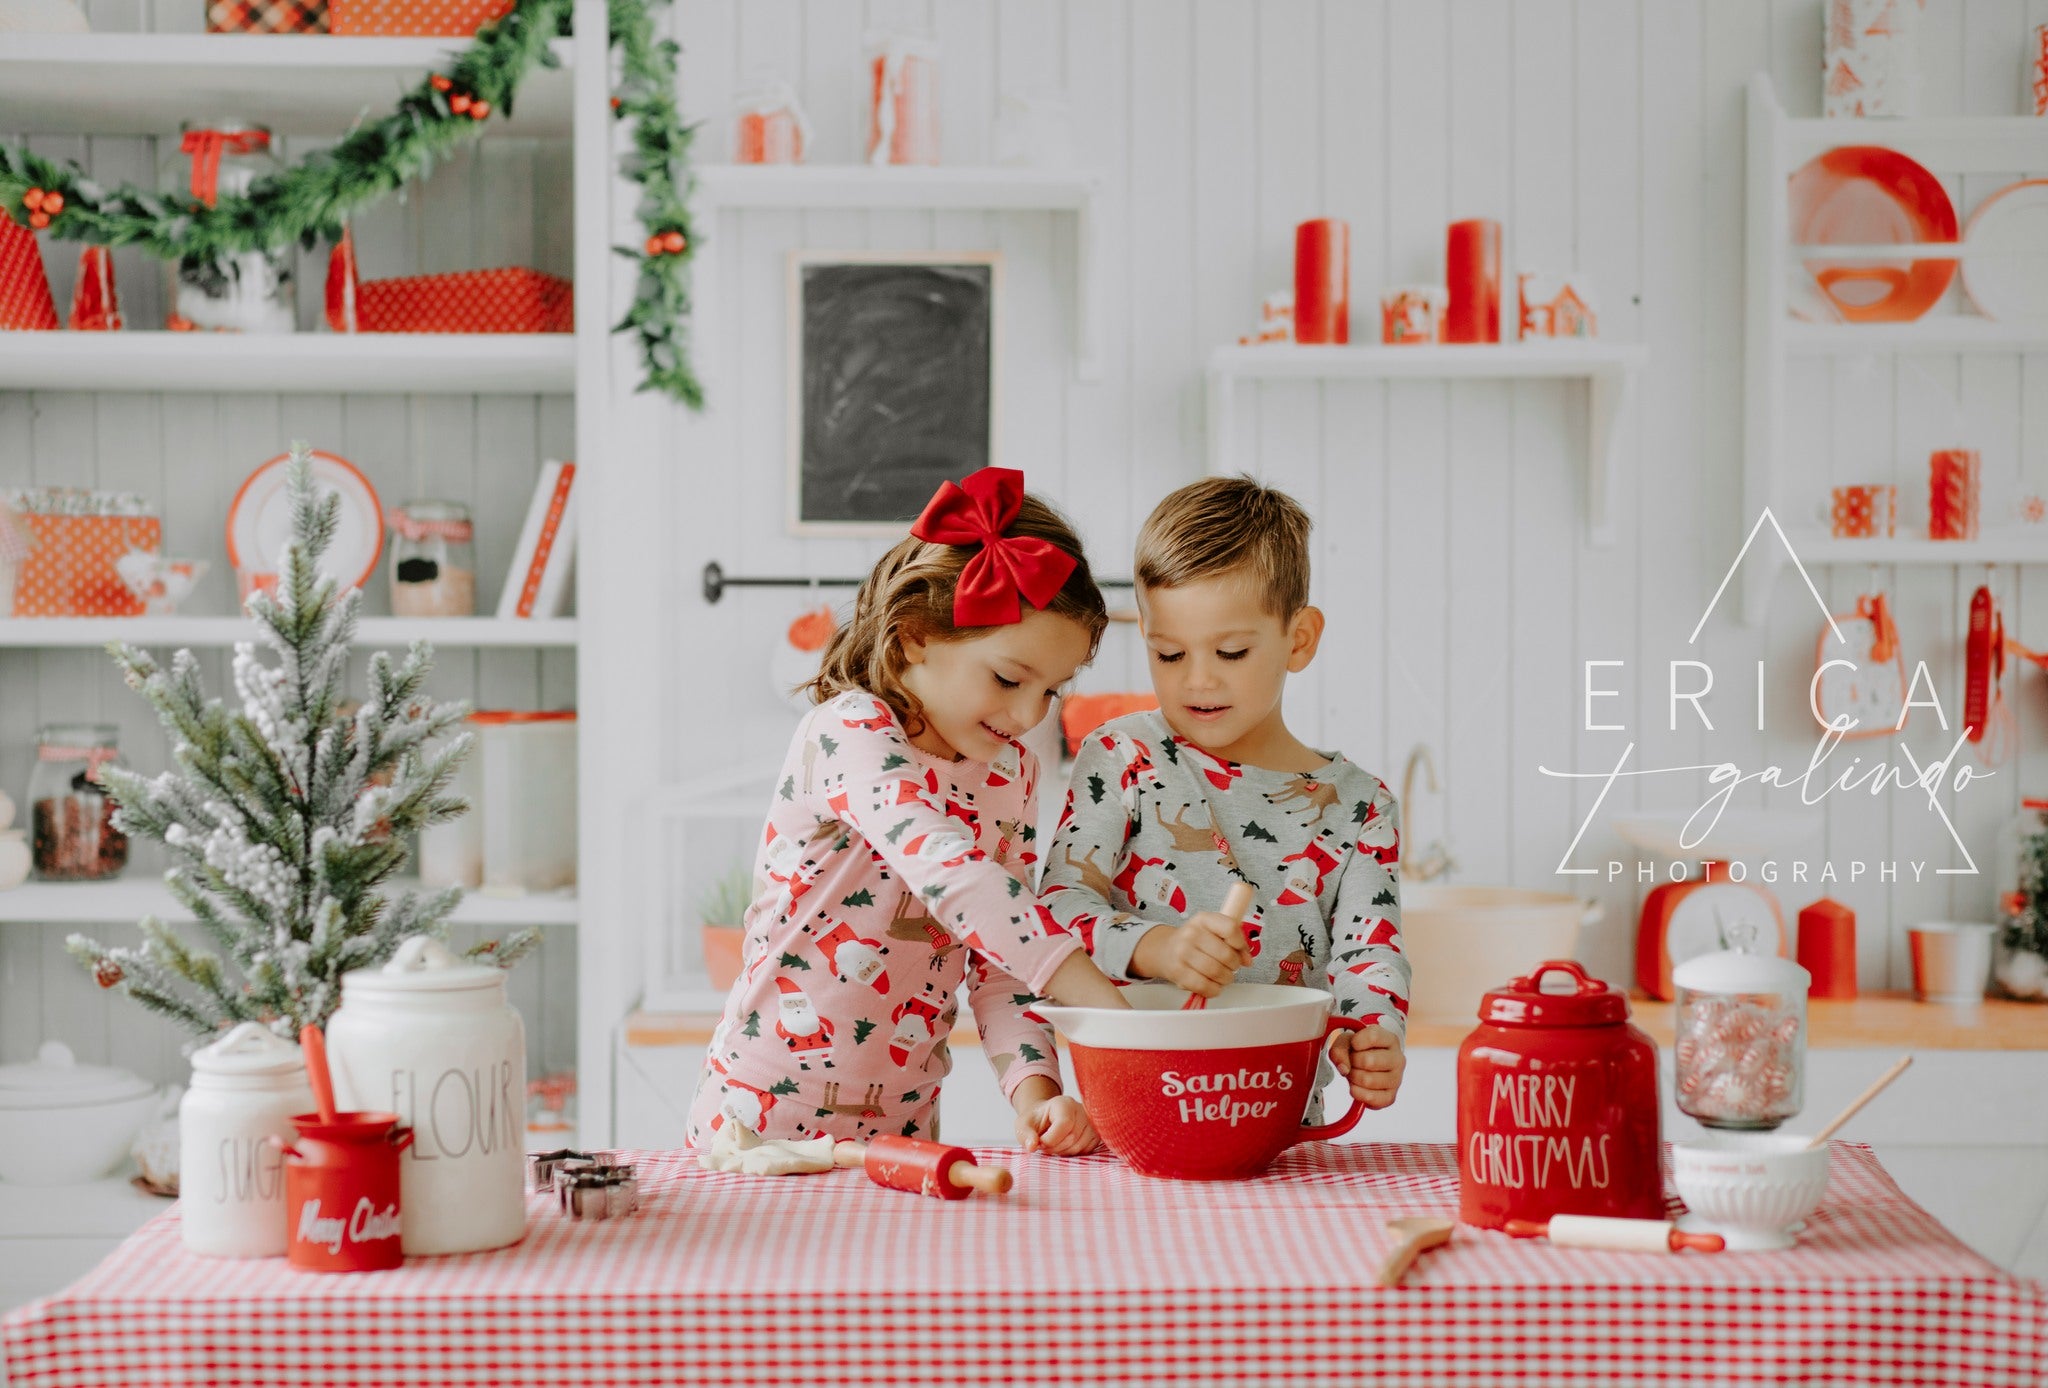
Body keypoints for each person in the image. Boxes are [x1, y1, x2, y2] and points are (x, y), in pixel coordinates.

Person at [688, 467, 1128, 1153]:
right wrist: (1102, 1002)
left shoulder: (1012, 773)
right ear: (914, 637)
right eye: (1010, 678)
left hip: (904, 1135)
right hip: (755, 1124)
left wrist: (1039, 1092)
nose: (1027, 713)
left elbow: (1001, 960)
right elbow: (952, 875)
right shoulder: (849, 732)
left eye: (1051, 690)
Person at [1040, 476, 1409, 1119]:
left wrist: (1374, 1034)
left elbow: (1369, 951)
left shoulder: (1360, 806)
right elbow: (1054, 913)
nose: (1198, 679)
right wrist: (1157, 948)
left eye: (1231, 652)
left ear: (1299, 639)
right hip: (1130, 1113)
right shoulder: (1122, 758)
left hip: (1282, 1123)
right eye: (1169, 653)